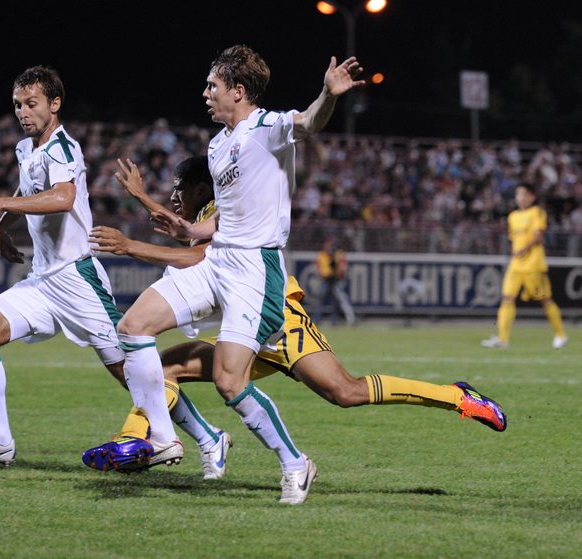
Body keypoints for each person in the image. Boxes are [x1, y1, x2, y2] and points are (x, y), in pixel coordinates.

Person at [85, 156, 507, 488]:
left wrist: (133, 243)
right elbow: (190, 235)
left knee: (345, 392)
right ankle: (145, 438)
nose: (173, 197)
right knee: (163, 368)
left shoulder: (223, 207)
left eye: (178, 189)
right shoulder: (209, 212)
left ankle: (456, 396)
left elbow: (198, 252)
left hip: (279, 320)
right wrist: (143, 199)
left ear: (201, 189)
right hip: (243, 326)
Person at [109, 45, 367, 505]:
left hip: (253, 269)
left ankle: (294, 463)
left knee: (230, 382)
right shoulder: (217, 145)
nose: (205, 93)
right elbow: (224, 218)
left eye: (213, 85)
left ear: (239, 90)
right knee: (132, 327)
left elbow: (308, 123)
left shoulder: (267, 127)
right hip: (218, 260)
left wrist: (328, 94)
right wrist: (191, 230)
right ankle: (165, 438)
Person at [0, 66, 128, 468]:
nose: (23, 112)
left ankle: (205, 436)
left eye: (31, 104)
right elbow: (30, 189)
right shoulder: (25, 149)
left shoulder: (63, 148)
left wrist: (1, 203)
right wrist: (4, 225)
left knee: (131, 371)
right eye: (18, 105)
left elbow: (63, 198)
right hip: (43, 283)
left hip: (77, 279)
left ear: (55, 103)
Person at [482, 183, 568, 349]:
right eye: (518, 194)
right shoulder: (513, 216)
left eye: (524, 194)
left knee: (545, 299)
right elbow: (514, 240)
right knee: (507, 298)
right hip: (516, 265)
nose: (520, 198)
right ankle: (503, 339)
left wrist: (525, 249)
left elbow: (539, 235)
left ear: (532, 196)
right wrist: (517, 252)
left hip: (533, 264)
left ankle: (560, 335)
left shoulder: (537, 212)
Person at [315, 235, 355, 324]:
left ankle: (335, 319)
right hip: (326, 280)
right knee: (321, 300)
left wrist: (339, 272)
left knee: (337, 300)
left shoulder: (338, 254)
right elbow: (320, 268)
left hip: (335, 280)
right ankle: (317, 319)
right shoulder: (322, 254)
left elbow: (343, 267)